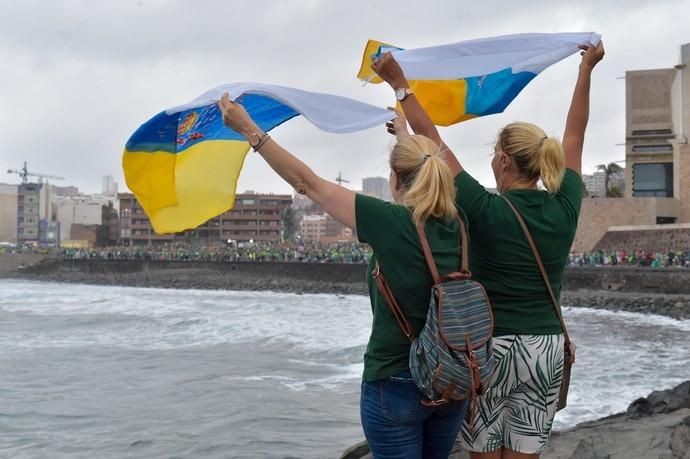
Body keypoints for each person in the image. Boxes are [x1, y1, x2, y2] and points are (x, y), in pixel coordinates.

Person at [372, 41, 605, 459]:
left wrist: (401, 85)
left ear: (501, 161)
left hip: (489, 350)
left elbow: (434, 144)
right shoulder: (565, 204)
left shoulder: (482, 208)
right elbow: (576, 131)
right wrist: (586, 69)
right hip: (545, 349)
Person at [218, 94, 469, 458]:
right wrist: (403, 136)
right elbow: (419, 171)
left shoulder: (393, 223)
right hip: (451, 380)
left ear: (395, 179)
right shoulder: (459, 224)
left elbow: (308, 184)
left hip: (396, 380)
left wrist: (248, 129)